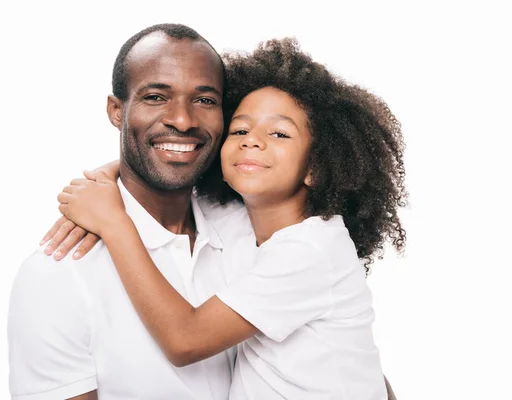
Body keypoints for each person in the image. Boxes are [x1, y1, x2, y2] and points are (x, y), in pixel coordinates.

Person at [45, 38, 407, 399]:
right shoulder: (239, 219)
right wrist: (109, 179)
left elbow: (185, 340)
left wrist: (113, 221)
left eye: (279, 133)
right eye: (239, 130)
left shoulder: (311, 248)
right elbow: (164, 164)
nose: (253, 141)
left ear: (316, 166)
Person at [7, 23, 235, 400]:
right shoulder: (61, 273)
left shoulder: (249, 233)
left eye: (205, 100)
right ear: (116, 110)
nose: (183, 120)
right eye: (156, 97)